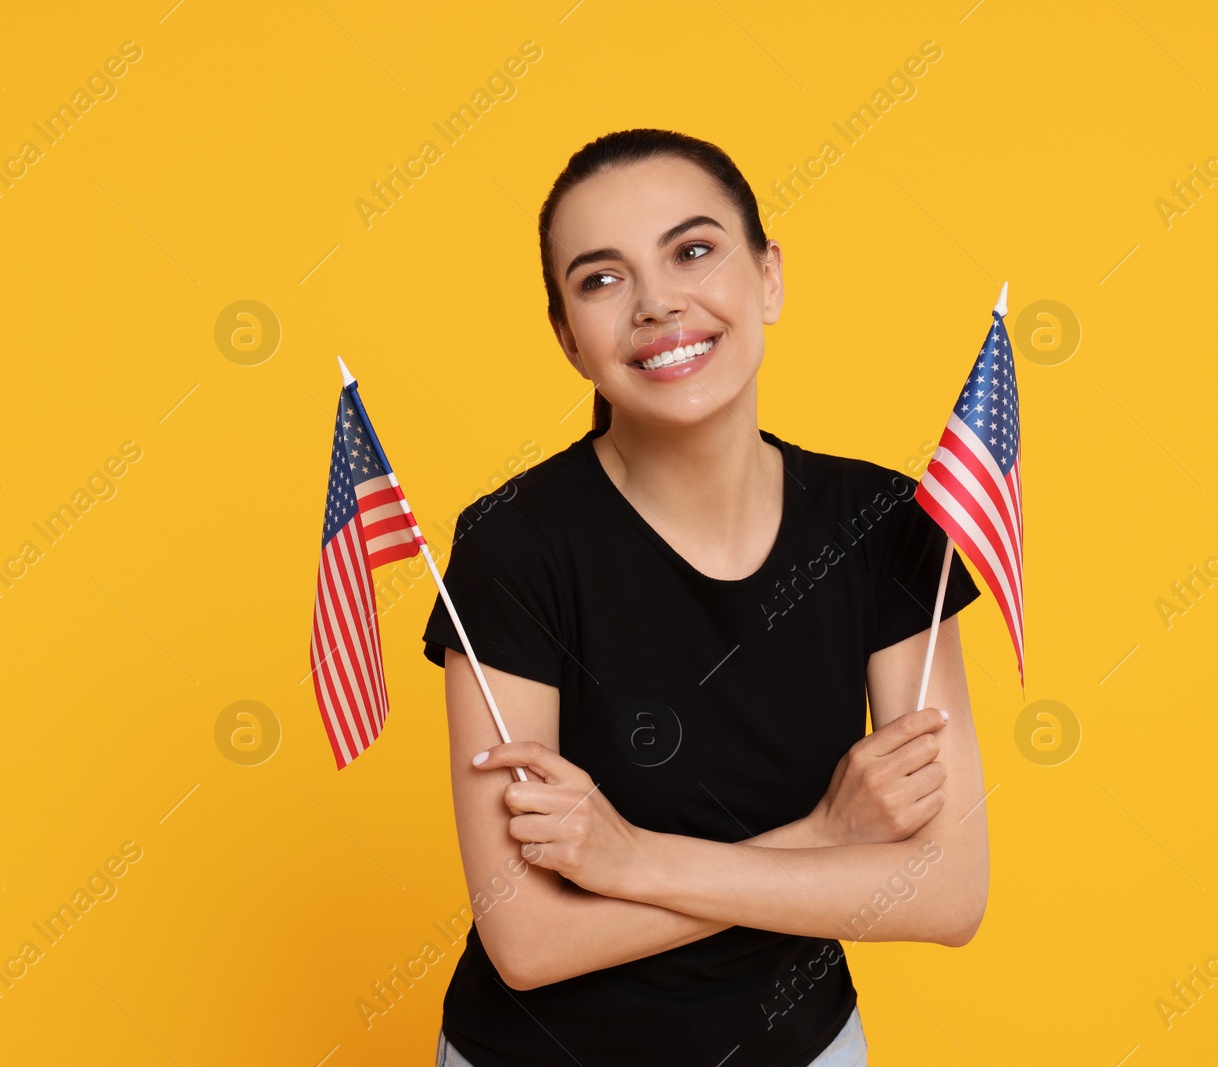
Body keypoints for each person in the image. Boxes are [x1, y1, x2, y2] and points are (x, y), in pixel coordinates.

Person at [420, 128, 991, 1067]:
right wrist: (824, 838)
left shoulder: (886, 520)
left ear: (768, 276)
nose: (657, 303)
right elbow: (527, 942)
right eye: (601, 279)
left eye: (693, 251)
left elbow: (945, 891)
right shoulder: (512, 543)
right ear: (568, 337)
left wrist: (631, 859)